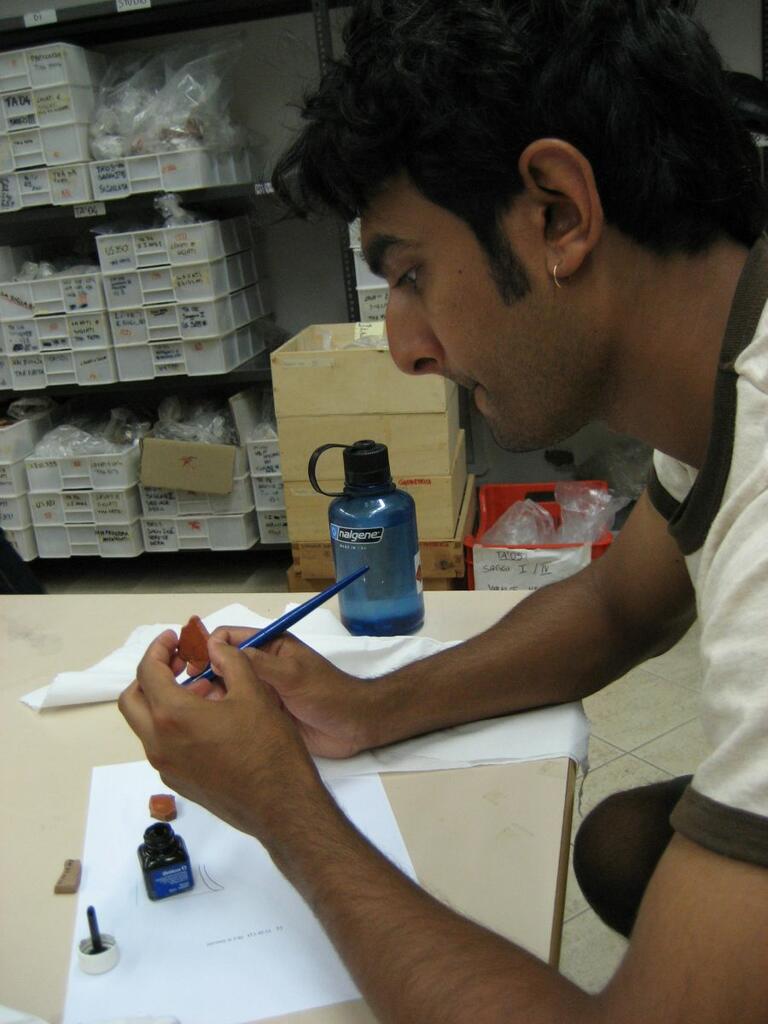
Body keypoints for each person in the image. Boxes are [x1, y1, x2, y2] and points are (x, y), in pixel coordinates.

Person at [119, 1, 768, 1019]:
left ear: (558, 212)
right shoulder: (728, 351)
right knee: (622, 848)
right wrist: (371, 705)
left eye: (412, 273)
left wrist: (284, 809)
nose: (409, 347)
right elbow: (620, 605)